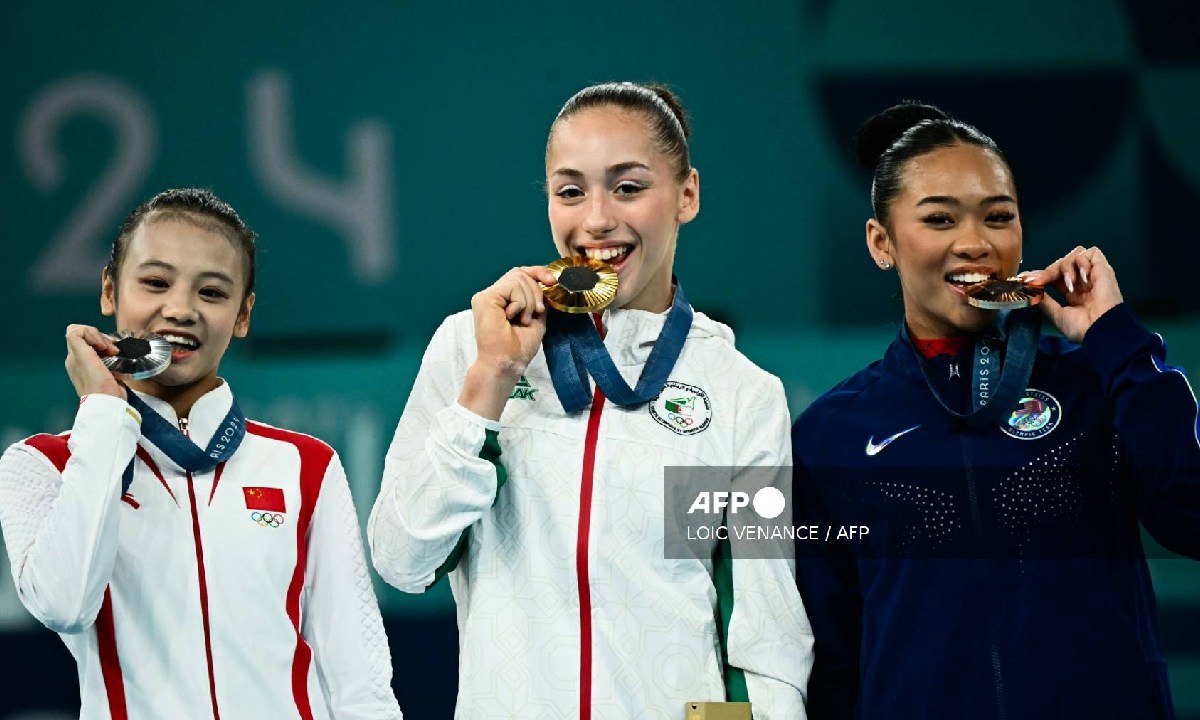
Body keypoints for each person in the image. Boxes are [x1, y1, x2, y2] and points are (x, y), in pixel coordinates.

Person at [368, 82, 813, 718]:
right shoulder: (469, 346)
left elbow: (761, 631)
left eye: (629, 187)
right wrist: (491, 379)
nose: (597, 219)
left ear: (687, 194)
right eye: (571, 191)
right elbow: (401, 559)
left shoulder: (741, 395)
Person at [791, 102, 1200, 719]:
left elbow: (1192, 516)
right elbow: (831, 656)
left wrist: (1114, 337)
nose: (975, 243)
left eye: (998, 216)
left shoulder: (1095, 381)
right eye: (938, 219)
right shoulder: (833, 433)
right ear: (883, 242)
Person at [0, 188, 403, 719]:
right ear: (108, 289)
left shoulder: (306, 466)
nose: (181, 309)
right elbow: (64, 604)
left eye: (212, 293)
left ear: (243, 315)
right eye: (155, 283)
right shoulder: (44, 464)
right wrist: (102, 410)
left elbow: (359, 679)